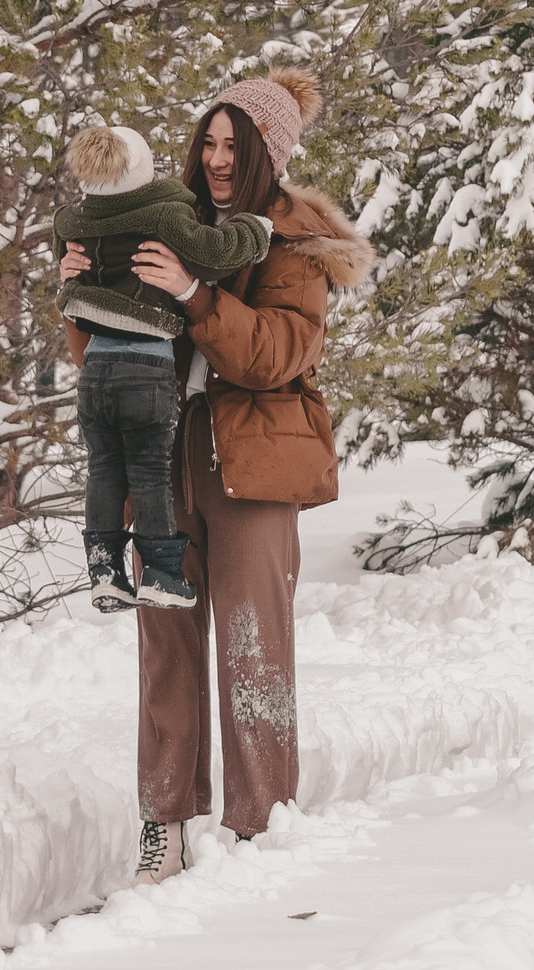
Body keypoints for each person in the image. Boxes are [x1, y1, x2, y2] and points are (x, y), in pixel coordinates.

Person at [61, 68, 370, 886]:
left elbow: (276, 355)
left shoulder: (293, 242)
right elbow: (106, 355)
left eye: (236, 144)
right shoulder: (164, 221)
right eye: (210, 139)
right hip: (161, 455)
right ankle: (163, 821)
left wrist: (195, 292)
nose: (218, 157)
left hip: (255, 462)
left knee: (252, 642)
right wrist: (81, 299)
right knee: (164, 640)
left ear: (270, 152)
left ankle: (263, 822)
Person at [52, 124, 272, 612]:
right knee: (151, 473)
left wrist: (67, 281)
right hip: (147, 368)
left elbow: (67, 256)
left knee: (105, 469)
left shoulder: (73, 223)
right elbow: (215, 256)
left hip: (94, 371)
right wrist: (256, 231)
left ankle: (105, 570)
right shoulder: (165, 217)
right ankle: (162, 573)